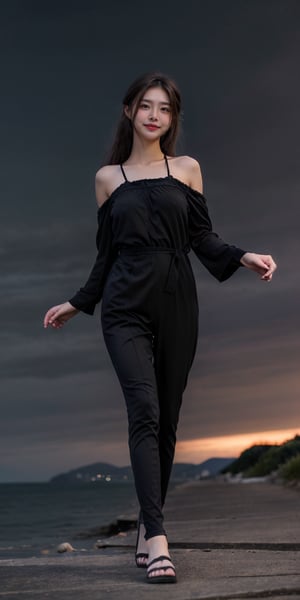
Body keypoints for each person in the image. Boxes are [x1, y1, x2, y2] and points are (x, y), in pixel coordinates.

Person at [43, 72, 277, 584]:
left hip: (177, 304)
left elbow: (202, 237)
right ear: (129, 111)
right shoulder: (109, 179)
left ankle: (146, 529)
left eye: (165, 108)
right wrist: (79, 303)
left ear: (172, 118)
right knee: (144, 410)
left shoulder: (187, 169)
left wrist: (242, 256)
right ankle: (159, 540)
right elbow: (105, 258)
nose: (154, 115)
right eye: (146, 106)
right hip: (124, 307)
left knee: (166, 421)